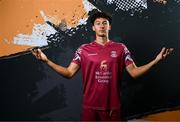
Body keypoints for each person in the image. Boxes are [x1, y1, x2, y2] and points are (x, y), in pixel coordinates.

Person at [32, 12, 173, 121]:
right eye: (98, 23)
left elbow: (134, 72)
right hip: (90, 108)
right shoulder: (83, 49)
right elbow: (69, 73)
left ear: (109, 26)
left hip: (112, 109)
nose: (101, 26)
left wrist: (156, 60)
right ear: (93, 27)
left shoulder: (120, 48)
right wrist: (47, 61)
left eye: (104, 23)